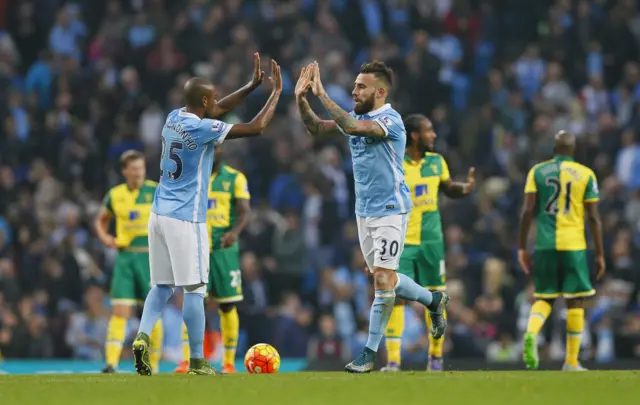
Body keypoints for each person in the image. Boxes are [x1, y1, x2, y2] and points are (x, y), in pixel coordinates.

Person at [131, 55, 282, 376]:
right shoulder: (202, 130)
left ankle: (142, 336)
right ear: (202, 100)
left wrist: (250, 86)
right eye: (212, 97)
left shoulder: (173, 118)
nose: (216, 102)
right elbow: (256, 127)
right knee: (196, 290)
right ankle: (198, 361)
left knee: (160, 286)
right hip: (187, 219)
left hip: (158, 215)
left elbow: (215, 110)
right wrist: (274, 94)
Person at [295, 61, 449, 373]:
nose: (354, 90)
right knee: (388, 280)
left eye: (361, 86)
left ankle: (369, 354)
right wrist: (301, 99)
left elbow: (351, 128)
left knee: (381, 280)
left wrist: (322, 93)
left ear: (380, 91)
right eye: (354, 85)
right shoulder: (357, 117)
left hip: (392, 209)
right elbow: (315, 128)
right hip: (364, 211)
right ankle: (434, 300)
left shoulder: (390, 119)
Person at [381, 114, 475, 372]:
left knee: (436, 298)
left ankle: (435, 358)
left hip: (432, 242)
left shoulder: (437, 162)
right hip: (403, 242)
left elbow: (447, 188)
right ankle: (393, 361)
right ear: (414, 136)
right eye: (429, 130)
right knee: (396, 297)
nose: (434, 135)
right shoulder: (395, 164)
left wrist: (463, 189)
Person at [518, 130, 605, 371]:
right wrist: (599, 253)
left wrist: (521, 247)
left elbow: (527, 212)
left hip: (545, 244)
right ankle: (571, 361)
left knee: (544, 297)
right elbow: (594, 218)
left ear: (553, 149)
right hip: (574, 244)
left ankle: (531, 333)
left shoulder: (536, 172)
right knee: (575, 301)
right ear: (573, 150)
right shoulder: (586, 174)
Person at [174, 146, 251, 374]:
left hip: (223, 250)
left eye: (217, 148)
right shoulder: (190, 178)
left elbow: (245, 210)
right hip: (195, 249)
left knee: (227, 304)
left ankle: (228, 362)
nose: (212, 152)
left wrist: (235, 233)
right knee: (193, 303)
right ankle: (188, 360)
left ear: (222, 152)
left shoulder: (235, 178)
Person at [94, 150, 163, 373]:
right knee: (120, 311)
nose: (138, 173)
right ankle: (111, 363)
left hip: (149, 256)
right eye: (134, 169)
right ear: (125, 171)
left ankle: (155, 363)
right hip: (125, 257)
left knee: (153, 311)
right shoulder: (115, 195)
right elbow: (101, 221)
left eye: (141, 169)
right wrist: (106, 239)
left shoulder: (155, 190)